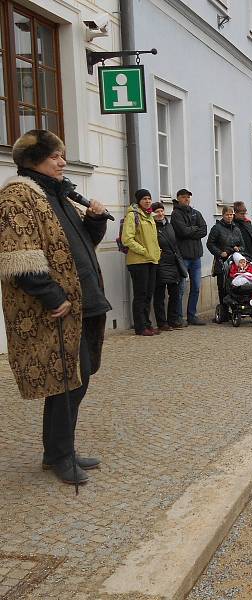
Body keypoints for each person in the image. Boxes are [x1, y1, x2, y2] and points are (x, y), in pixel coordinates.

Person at [0, 129, 111, 484]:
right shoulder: (18, 197)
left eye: (63, 155)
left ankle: (58, 449)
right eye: (54, 157)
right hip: (58, 309)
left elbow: (82, 244)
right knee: (67, 382)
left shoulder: (58, 196)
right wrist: (53, 296)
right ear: (33, 162)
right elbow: (18, 258)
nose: (63, 162)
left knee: (77, 378)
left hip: (84, 301)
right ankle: (60, 456)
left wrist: (94, 219)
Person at [123, 189, 161, 336]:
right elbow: (127, 239)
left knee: (148, 294)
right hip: (138, 261)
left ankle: (147, 324)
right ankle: (140, 326)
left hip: (152, 260)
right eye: (144, 198)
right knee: (140, 294)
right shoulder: (133, 215)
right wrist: (143, 250)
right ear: (138, 201)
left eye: (149, 199)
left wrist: (157, 253)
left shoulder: (150, 216)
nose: (147, 201)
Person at [170, 188, 207, 325]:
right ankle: (179, 316)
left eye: (188, 197)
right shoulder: (176, 214)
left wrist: (191, 230)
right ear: (178, 198)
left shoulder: (196, 213)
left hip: (196, 256)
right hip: (183, 256)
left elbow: (204, 230)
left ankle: (192, 315)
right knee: (180, 288)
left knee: (196, 287)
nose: (186, 199)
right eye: (184, 197)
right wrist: (194, 229)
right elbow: (182, 231)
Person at [151, 201, 185, 332]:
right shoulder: (153, 227)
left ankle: (173, 319)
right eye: (157, 211)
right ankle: (162, 322)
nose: (160, 214)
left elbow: (175, 244)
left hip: (172, 263)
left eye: (161, 211)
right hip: (159, 263)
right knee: (159, 295)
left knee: (175, 293)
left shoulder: (169, 225)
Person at [207, 205, 244, 318]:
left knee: (235, 285)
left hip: (235, 261)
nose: (229, 217)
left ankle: (235, 308)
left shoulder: (236, 229)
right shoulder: (217, 228)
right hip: (222, 261)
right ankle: (223, 311)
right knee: (222, 286)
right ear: (223, 215)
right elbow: (210, 244)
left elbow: (243, 245)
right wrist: (219, 252)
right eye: (227, 214)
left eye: (231, 214)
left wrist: (239, 249)